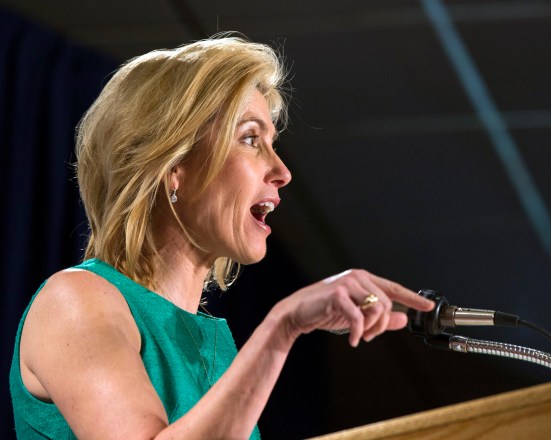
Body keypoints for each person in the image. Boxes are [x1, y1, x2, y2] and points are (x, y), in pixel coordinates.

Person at [9, 35, 434, 439]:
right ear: (173, 165)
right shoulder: (75, 302)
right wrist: (284, 325)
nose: (282, 172)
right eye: (251, 139)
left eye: (272, 141)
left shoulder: (212, 348)